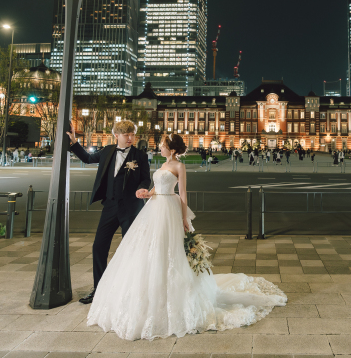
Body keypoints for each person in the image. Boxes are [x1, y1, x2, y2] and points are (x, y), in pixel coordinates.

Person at [87, 133, 286, 340]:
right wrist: (146, 193)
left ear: (172, 149)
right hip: (154, 208)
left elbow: (182, 193)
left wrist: (183, 218)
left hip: (169, 209)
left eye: (163, 145)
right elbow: (157, 187)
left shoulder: (179, 166)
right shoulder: (164, 164)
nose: (160, 147)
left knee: (170, 250)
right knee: (150, 250)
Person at [66, 119, 151, 305]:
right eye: (126, 135)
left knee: (131, 249)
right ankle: (99, 289)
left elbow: (146, 179)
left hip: (131, 208)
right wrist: (73, 141)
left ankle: (130, 290)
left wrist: (142, 188)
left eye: (132, 135)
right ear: (116, 135)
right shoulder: (107, 151)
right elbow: (88, 158)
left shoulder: (140, 155)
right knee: (99, 246)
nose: (130, 138)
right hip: (110, 206)